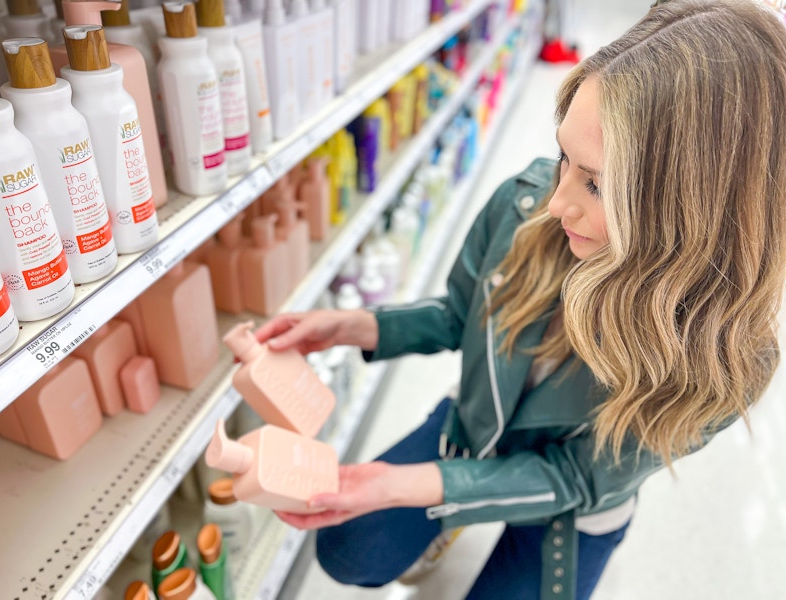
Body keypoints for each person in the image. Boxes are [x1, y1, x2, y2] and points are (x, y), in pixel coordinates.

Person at [252, 1, 786, 598]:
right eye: (565, 158)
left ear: (696, 213)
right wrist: (352, 327)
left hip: (572, 505)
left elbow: (580, 477)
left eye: (597, 184)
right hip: (479, 425)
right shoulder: (528, 204)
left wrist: (422, 486)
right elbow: (460, 314)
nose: (558, 202)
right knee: (349, 549)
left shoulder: (723, 356)